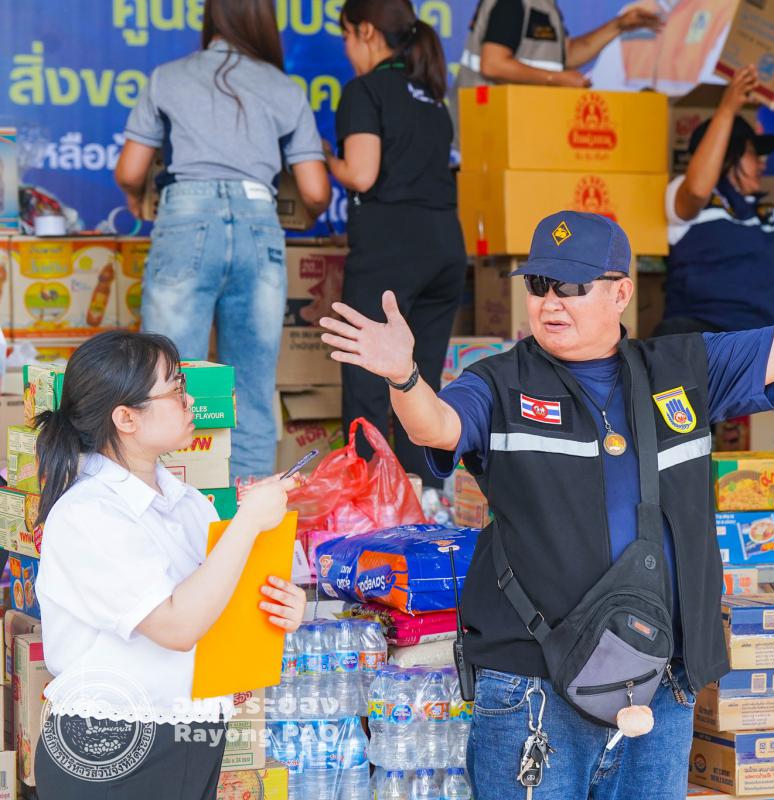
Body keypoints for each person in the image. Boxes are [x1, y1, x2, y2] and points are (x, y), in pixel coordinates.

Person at [318, 198, 774, 799]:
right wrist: (404, 378)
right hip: (532, 687)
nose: (550, 302)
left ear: (621, 292)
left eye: (572, 287)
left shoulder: (683, 370)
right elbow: (436, 426)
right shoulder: (498, 382)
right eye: (539, 286)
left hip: (661, 683)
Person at [32, 331, 304, 799]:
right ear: (126, 418)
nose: (190, 400)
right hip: (112, 746)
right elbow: (177, 627)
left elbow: (214, 604)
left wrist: (279, 608)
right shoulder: (88, 513)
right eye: (176, 390)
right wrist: (246, 523)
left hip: (193, 737)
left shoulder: (189, 503)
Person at [114, 0, 331, 481]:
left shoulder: (167, 78)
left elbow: (130, 171)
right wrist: (308, 211)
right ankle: (249, 511)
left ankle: (170, 501)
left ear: (211, 17)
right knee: (252, 388)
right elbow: (316, 191)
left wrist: (136, 196)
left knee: (164, 383)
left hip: (185, 218)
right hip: (260, 223)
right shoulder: (284, 88)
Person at [324, 0, 466, 485]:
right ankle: (425, 498)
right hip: (446, 245)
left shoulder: (365, 90)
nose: (347, 49)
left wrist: (324, 159)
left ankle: (368, 499)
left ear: (366, 31)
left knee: (367, 379)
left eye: (346, 36)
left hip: (392, 246)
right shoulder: (432, 97)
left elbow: (362, 174)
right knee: (418, 382)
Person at [658, 66, 774, 336]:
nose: (762, 163)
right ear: (727, 154)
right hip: (698, 343)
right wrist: (728, 108)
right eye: (753, 153)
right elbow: (696, 191)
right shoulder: (684, 198)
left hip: (759, 345)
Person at [456, 1, 663, 89]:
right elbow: (493, 65)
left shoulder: (546, 5)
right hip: (488, 131)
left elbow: (565, 56)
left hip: (521, 128)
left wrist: (618, 26)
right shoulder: (511, 3)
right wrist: (556, 79)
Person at [589, 0, 734, 95]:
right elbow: (603, 87)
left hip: (695, 127)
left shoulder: (726, 10)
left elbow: (715, 94)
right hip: (635, 124)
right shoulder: (632, 13)